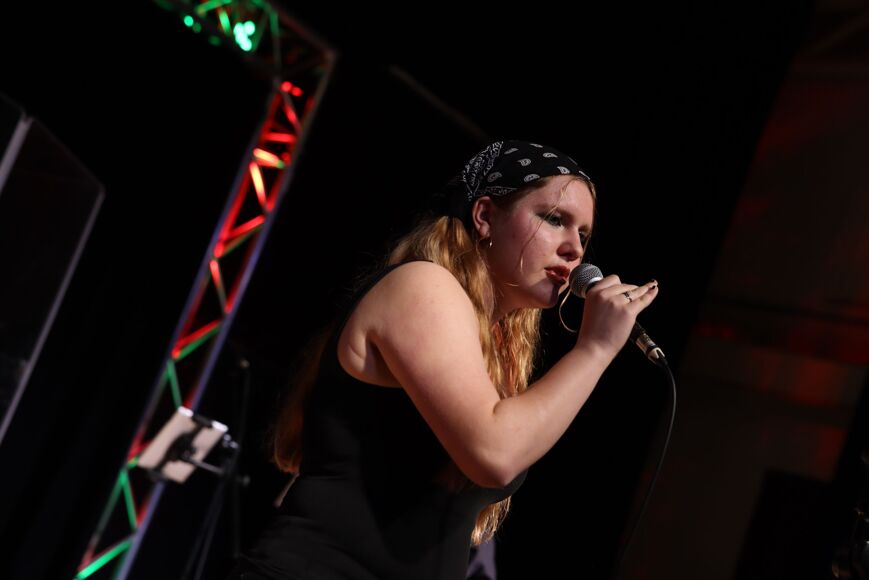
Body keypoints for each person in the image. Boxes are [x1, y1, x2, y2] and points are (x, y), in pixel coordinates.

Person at [226, 139, 659, 580]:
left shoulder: (494, 346)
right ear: (485, 216)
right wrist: (595, 349)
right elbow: (495, 452)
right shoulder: (423, 285)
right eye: (554, 219)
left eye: (583, 235)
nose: (574, 249)